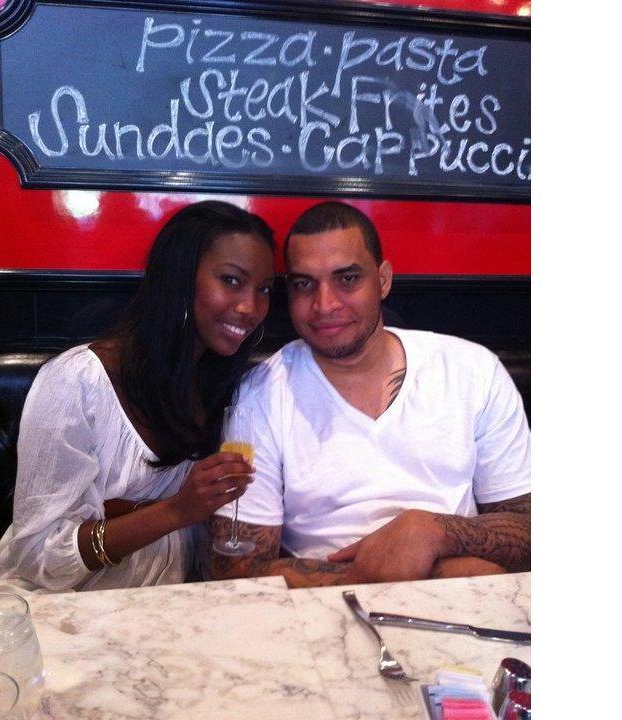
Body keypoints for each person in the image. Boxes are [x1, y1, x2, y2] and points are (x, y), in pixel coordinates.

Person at [208, 201, 530, 588]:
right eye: (304, 284)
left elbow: (531, 530)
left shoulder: (472, 371)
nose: (325, 304)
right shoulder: (261, 394)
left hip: (465, 599)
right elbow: (237, 568)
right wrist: (412, 572)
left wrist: (434, 531)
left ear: (383, 280)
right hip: (323, 608)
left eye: (347, 279)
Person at [0, 201, 275, 592]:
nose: (251, 307)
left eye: (264, 289)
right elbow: (38, 558)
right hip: (53, 606)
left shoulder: (224, 387)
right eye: (231, 280)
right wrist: (176, 511)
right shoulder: (79, 381)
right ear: (179, 278)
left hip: (160, 607)